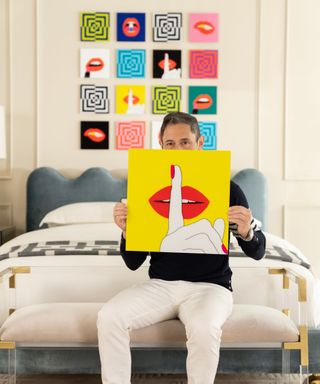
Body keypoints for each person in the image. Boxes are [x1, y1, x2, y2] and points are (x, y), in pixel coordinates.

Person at [97, 112, 266, 384]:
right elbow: (133, 262)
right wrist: (128, 232)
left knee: (204, 327)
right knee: (109, 316)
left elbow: (258, 252)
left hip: (211, 287)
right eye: (171, 143)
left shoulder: (227, 188)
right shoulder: (147, 187)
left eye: (185, 142)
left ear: (200, 143)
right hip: (160, 286)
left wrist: (247, 232)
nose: (178, 149)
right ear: (160, 145)